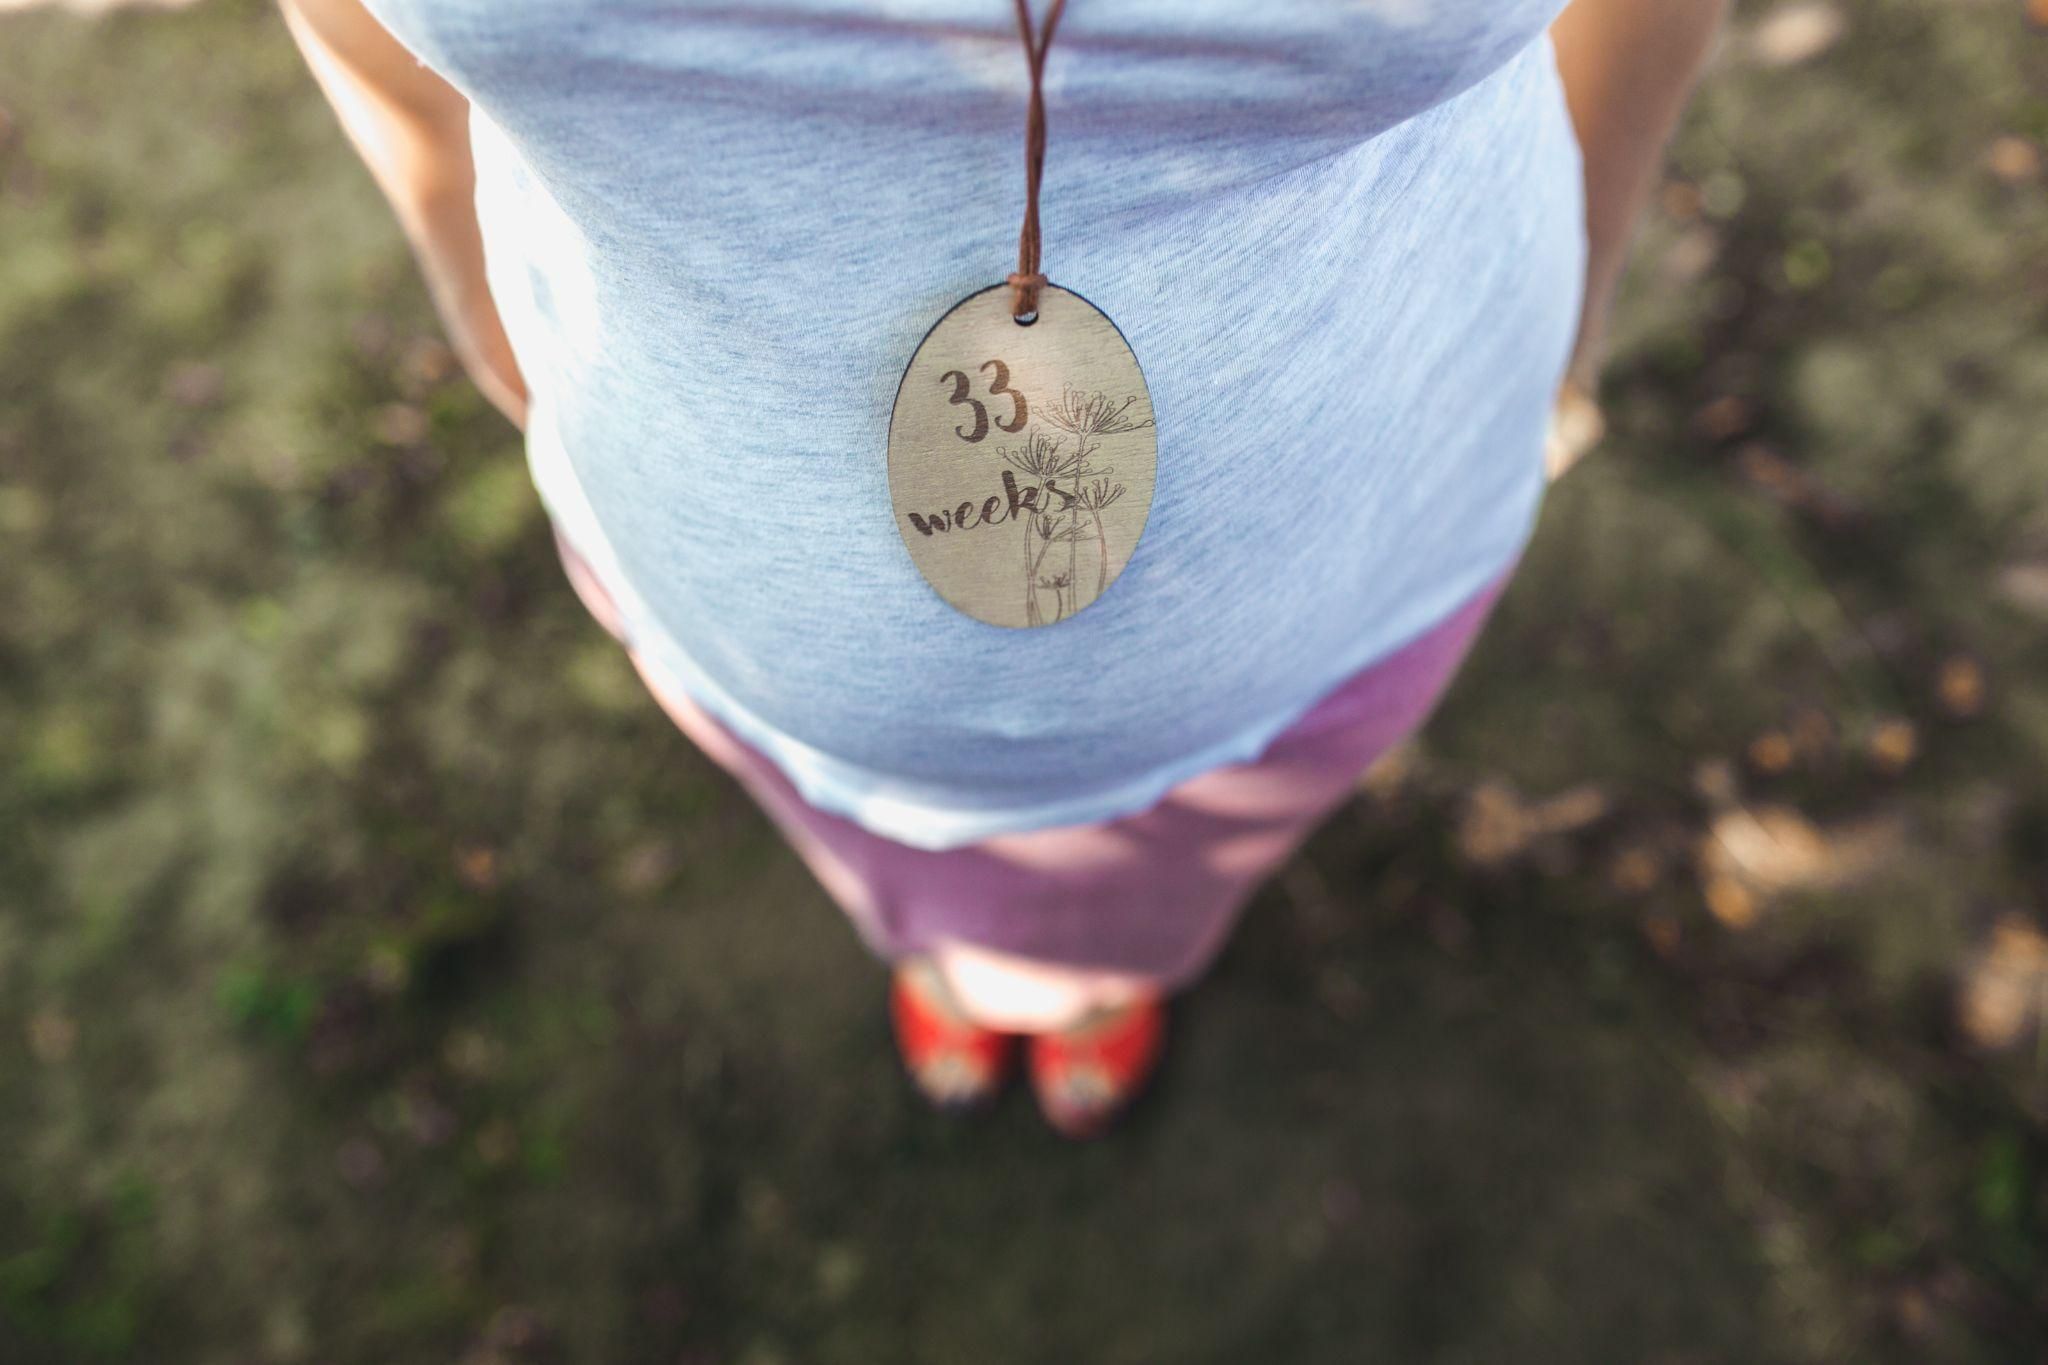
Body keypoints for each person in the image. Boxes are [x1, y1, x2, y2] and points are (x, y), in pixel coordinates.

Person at [281, 0, 1726, 1138]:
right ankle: (952, 949)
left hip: (1356, 585)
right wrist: (463, 272)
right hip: (738, 645)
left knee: (1151, 902)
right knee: (887, 874)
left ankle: (1108, 963)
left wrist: (1581, 292)